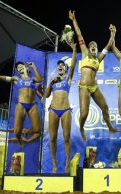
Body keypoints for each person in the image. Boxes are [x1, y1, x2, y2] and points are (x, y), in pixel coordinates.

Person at [69, 10, 121, 141]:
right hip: (84, 87)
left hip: (94, 87)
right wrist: (73, 20)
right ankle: (81, 128)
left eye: (95, 46)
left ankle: (110, 127)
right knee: (85, 113)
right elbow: (79, 34)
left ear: (97, 50)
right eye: (91, 45)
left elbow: (109, 46)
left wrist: (113, 33)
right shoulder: (85, 53)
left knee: (105, 107)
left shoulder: (98, 59)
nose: (93, 46)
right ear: (88, 47)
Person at [0, 61, 42, 147]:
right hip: (21, 105)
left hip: (32, 105)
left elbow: (39, 79)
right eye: (18, 67)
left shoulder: (32, 79)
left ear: (25, 67)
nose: (19, 67)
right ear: (17, 70)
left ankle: (26, 138)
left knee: (37, 132)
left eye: (21, 66)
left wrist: (34, 67)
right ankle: (20, 139)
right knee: (17, 132)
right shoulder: (16, 79)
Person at [44, 42, 77, 173]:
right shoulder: (53, 81)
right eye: (58, 65)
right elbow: (46, 96)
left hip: (65, 110)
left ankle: (67, 162)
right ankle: (54, 162)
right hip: (53, 110)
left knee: (66, 137)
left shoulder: (68, 79)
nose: (60, 66)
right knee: (52, 138)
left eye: (62, 65)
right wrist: (50, 83)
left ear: (65, 68)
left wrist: (74, 50)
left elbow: (73, 65)